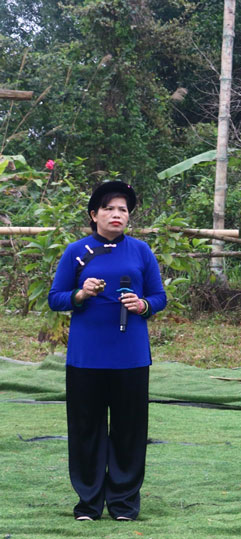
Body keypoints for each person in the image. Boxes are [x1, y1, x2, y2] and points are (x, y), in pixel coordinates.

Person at [48, 181, 167, 521]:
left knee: (129, 429)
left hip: (130, 355)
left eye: (123, 210)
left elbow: (159, 298)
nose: (117, 215)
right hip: (86, 355)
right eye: (110, 209)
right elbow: (56, 297)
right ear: (94, 215)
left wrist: (141, 303)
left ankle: (124, 502)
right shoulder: (76, 251)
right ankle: (88, 502)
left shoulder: (141, 251)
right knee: (86, 428)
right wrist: (81, 294)